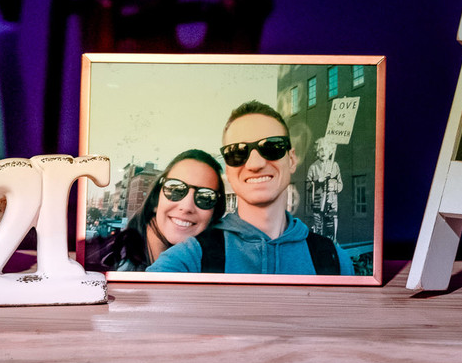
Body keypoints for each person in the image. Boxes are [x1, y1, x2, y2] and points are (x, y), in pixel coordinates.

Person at [147, 101, 354, 275]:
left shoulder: (335, 260)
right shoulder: (191, 257)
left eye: (272, 147)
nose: (255, 164)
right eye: (237, 152)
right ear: (228, 169)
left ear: (291, 159)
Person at [103, 149, 226, 271]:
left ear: (214, 213)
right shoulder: (110, 267)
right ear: (156, 201)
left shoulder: (217, 267)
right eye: (175, 189)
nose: (187, 207)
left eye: (206, 197)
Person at [307, 135, 343, 241]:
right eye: (321, 149)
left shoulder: (334, 166)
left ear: (331, 151)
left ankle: (333, 243)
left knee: (330, 225)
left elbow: (340, 185)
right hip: (318, 203)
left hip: (331, 202)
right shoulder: (313, 167)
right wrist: (318, 181)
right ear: (317, 152)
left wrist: (335, 185)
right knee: (318, 227)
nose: (323, 152)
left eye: (326, 149)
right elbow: (308, 186)